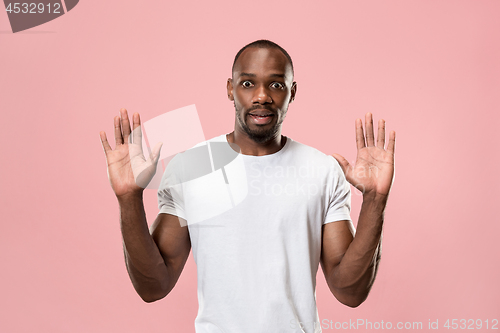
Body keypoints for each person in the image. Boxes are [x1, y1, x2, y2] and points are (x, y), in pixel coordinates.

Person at [99, 40, 396, 333]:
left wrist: (375, 200)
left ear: (292, 93)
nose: (262, 96)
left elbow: (350, 292)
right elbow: (153, 286)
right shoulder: (192, 167)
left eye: (277, 85)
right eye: (248, 84)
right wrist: (129, 198)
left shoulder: (322, 171)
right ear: (230, 89)